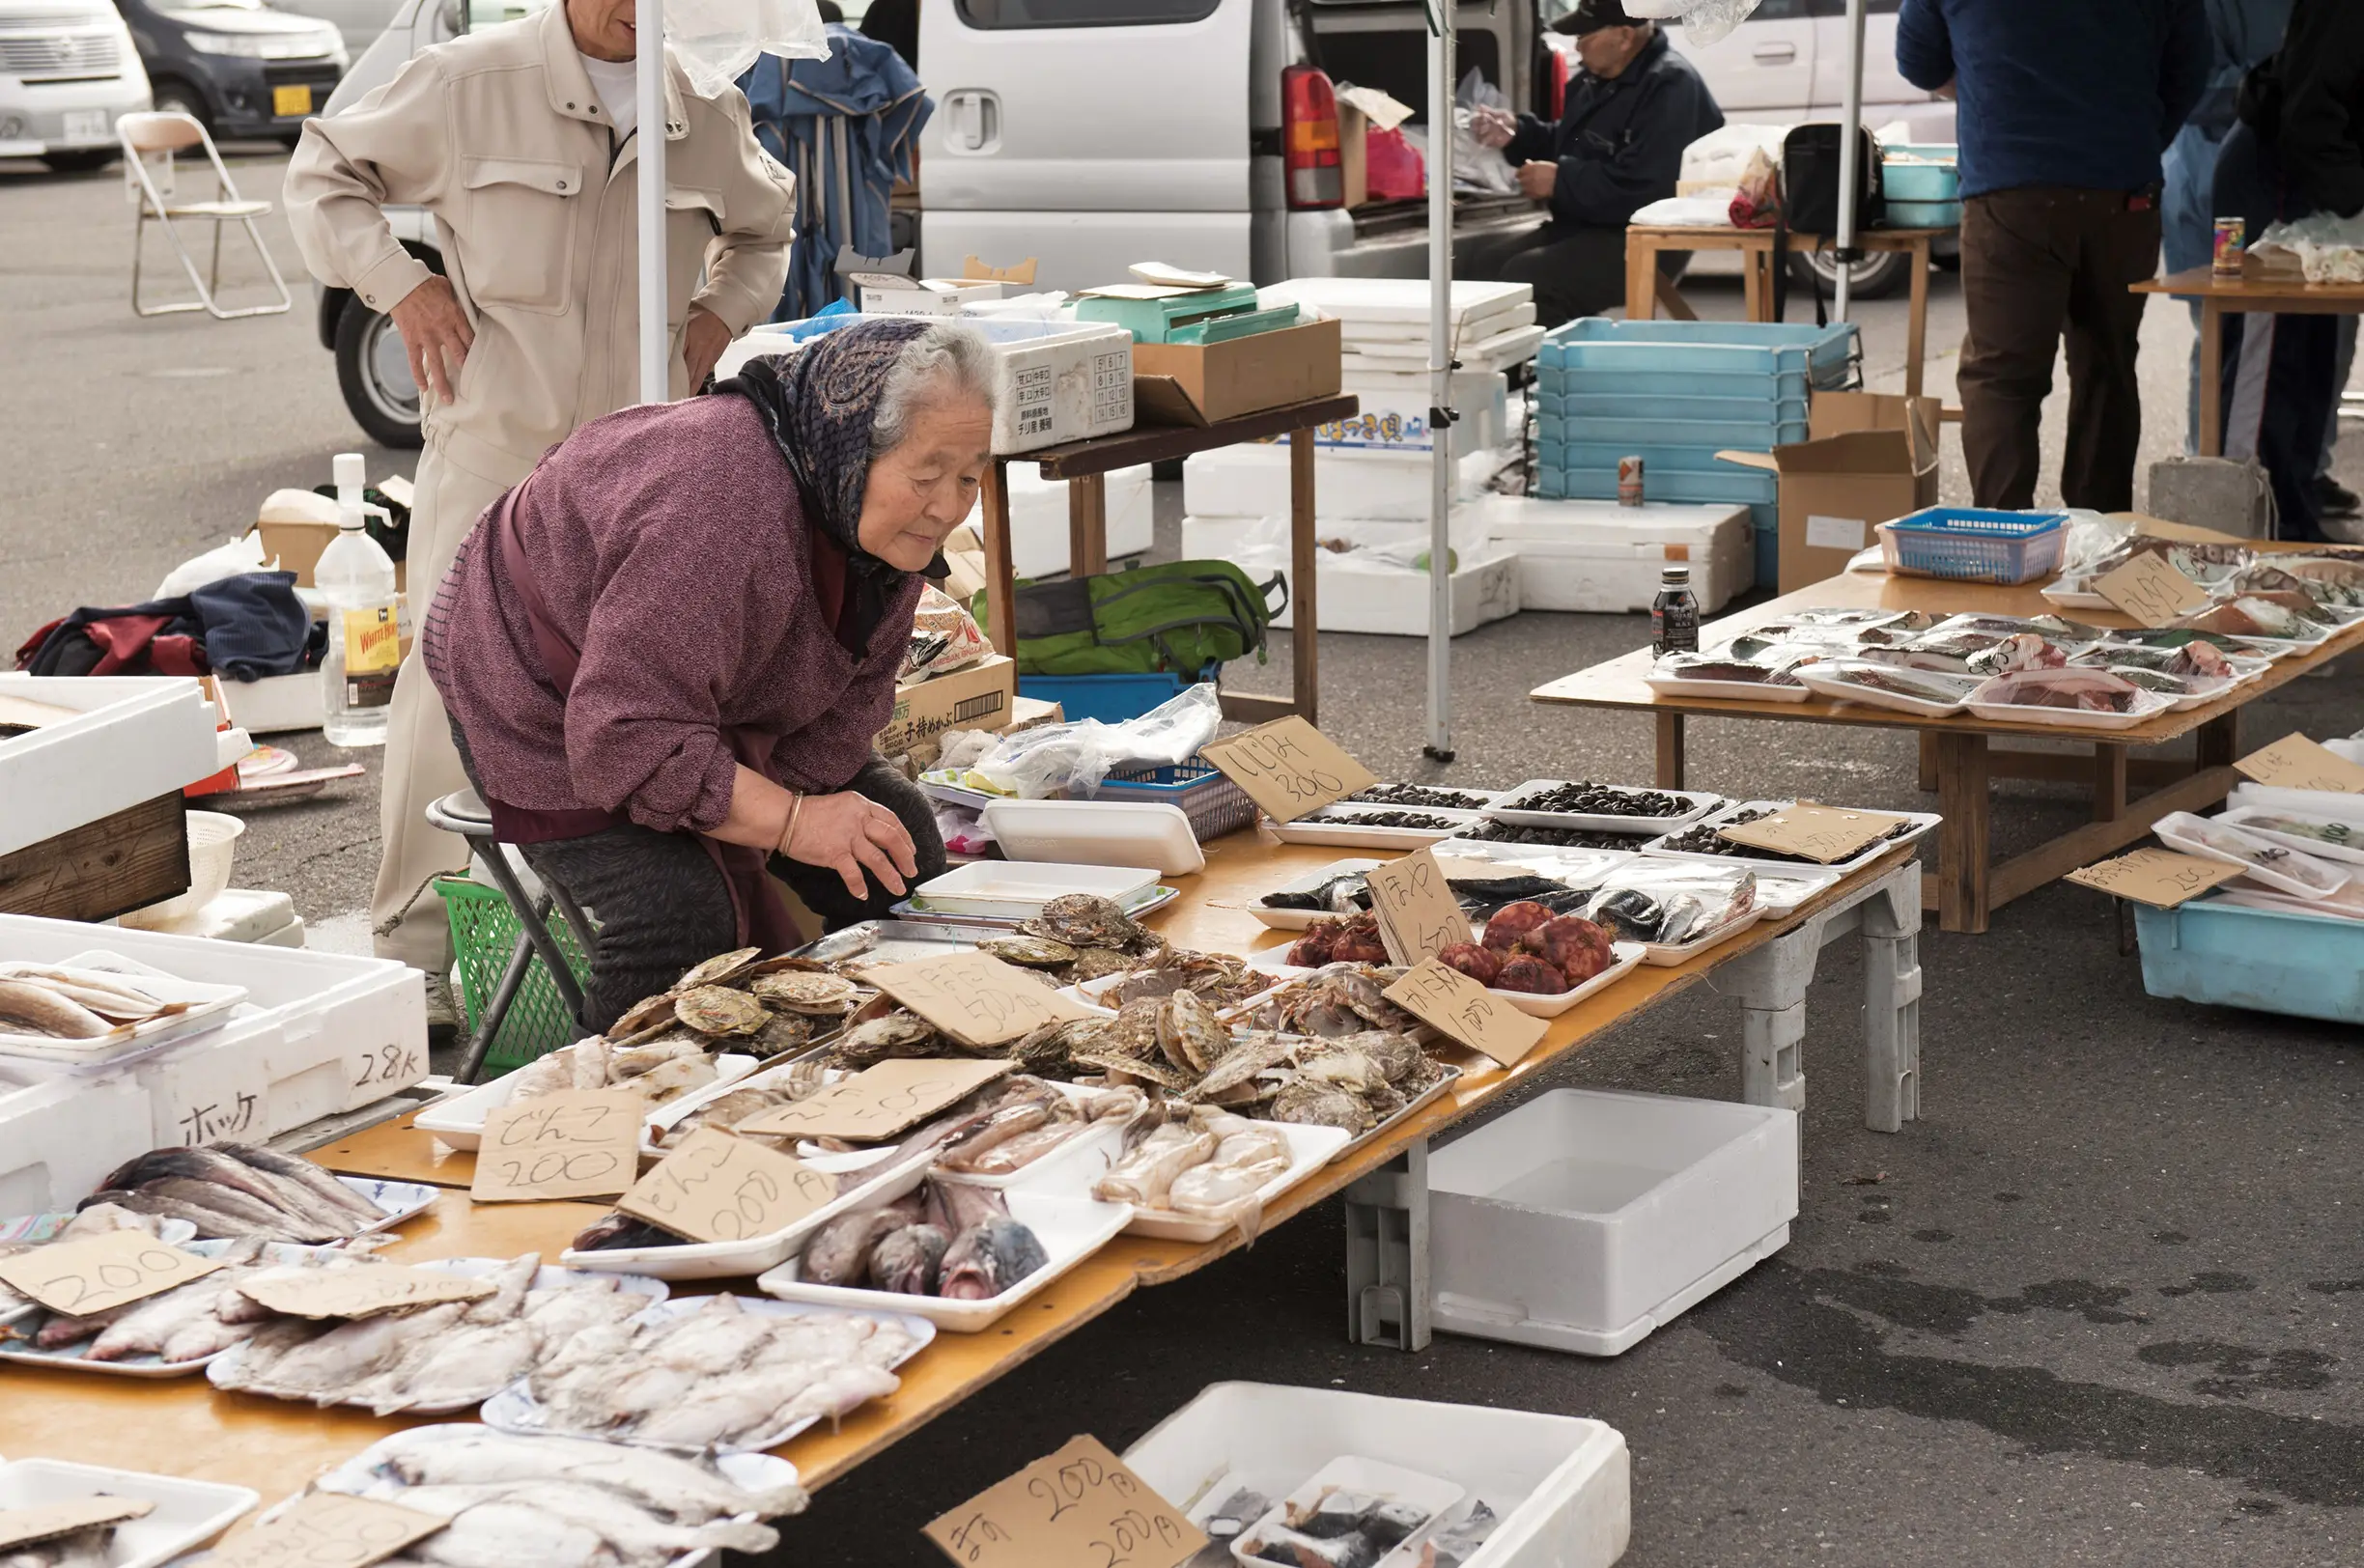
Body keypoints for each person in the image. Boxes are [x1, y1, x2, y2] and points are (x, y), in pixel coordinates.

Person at [284, 0, 797, 997]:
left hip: (640, 483)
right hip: (494, 457)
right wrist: (403, 284)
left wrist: (717, 316)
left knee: (636, 699)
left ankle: (625, 950)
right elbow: (321, 171)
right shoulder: (468, 81)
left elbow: (766, 231)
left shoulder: (703, 108)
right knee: (446, 698)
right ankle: (422, 966)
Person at [420, 319, 993, 1031]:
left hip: (692, 682)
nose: (947, 506)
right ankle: (611, 1114)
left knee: (895, 842)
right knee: (679, 913)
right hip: (538, 678)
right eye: (926, 474)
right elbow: (625, 734)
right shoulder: (722, 503)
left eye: (969, 476)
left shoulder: (875, 521)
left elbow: (847, 716)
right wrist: (787, 821)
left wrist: (789, 805)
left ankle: (892, 1045)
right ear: (853, 451)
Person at [1898, 0, 2209, 513]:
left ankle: (2002, 547)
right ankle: (2099, 546)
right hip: (2123, 193)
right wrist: (2135, 140)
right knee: (2108, 366)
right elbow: (2189, 71)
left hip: (2011, 190)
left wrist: (1986, 91)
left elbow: (1918, 61)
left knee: (2003, 377)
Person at [1464, 0, 1723, 329]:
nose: (1576, 46)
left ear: (1625, 36)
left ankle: (1561, 373)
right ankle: (1511, 374)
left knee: (1529, 276)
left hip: (1642, 239)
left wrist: (1561, 181)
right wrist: (1518, 133)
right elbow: (1570, 142)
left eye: (1585, 35)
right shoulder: (1595, 81)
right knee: (1484, 267)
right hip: (1587, 225)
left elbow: (1649, 191)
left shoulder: (1671, 86)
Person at [2215, 0, 2364, 543]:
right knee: (2270, 360)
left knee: (2314, 362)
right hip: (2276, 184)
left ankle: (2293, 518)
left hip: (2326, 189)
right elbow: (2310, 116)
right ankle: (2250, 532)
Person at [2161, 0, 2293, 454]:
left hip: (2283, 193)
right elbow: (2193, 89)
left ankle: (2300, 470)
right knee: (2223, 334)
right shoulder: (2206, 8)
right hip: (2215, 194)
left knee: (2294, 344)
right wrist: (2279, 83)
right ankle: (2210, 468)